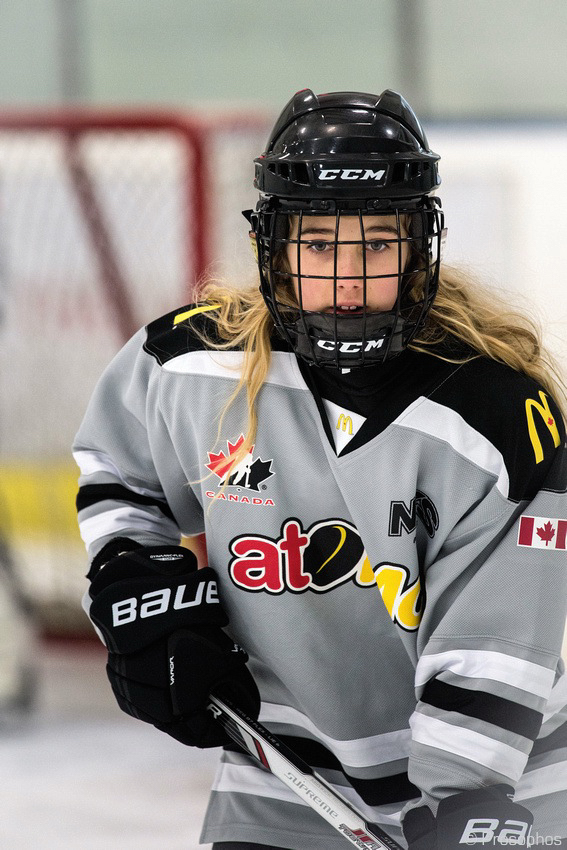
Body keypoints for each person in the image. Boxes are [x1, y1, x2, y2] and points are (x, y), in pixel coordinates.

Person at [73, 89, 567, 850]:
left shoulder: (497, 412)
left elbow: (497, 637)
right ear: (274, 249)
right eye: (318, 246)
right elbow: (118, 469)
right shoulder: (187, 364)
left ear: (418, 249)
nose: (348, 278)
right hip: (286, 773)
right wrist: (139, 584)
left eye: (377, 245)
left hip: (508, 777)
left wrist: (465, 800)